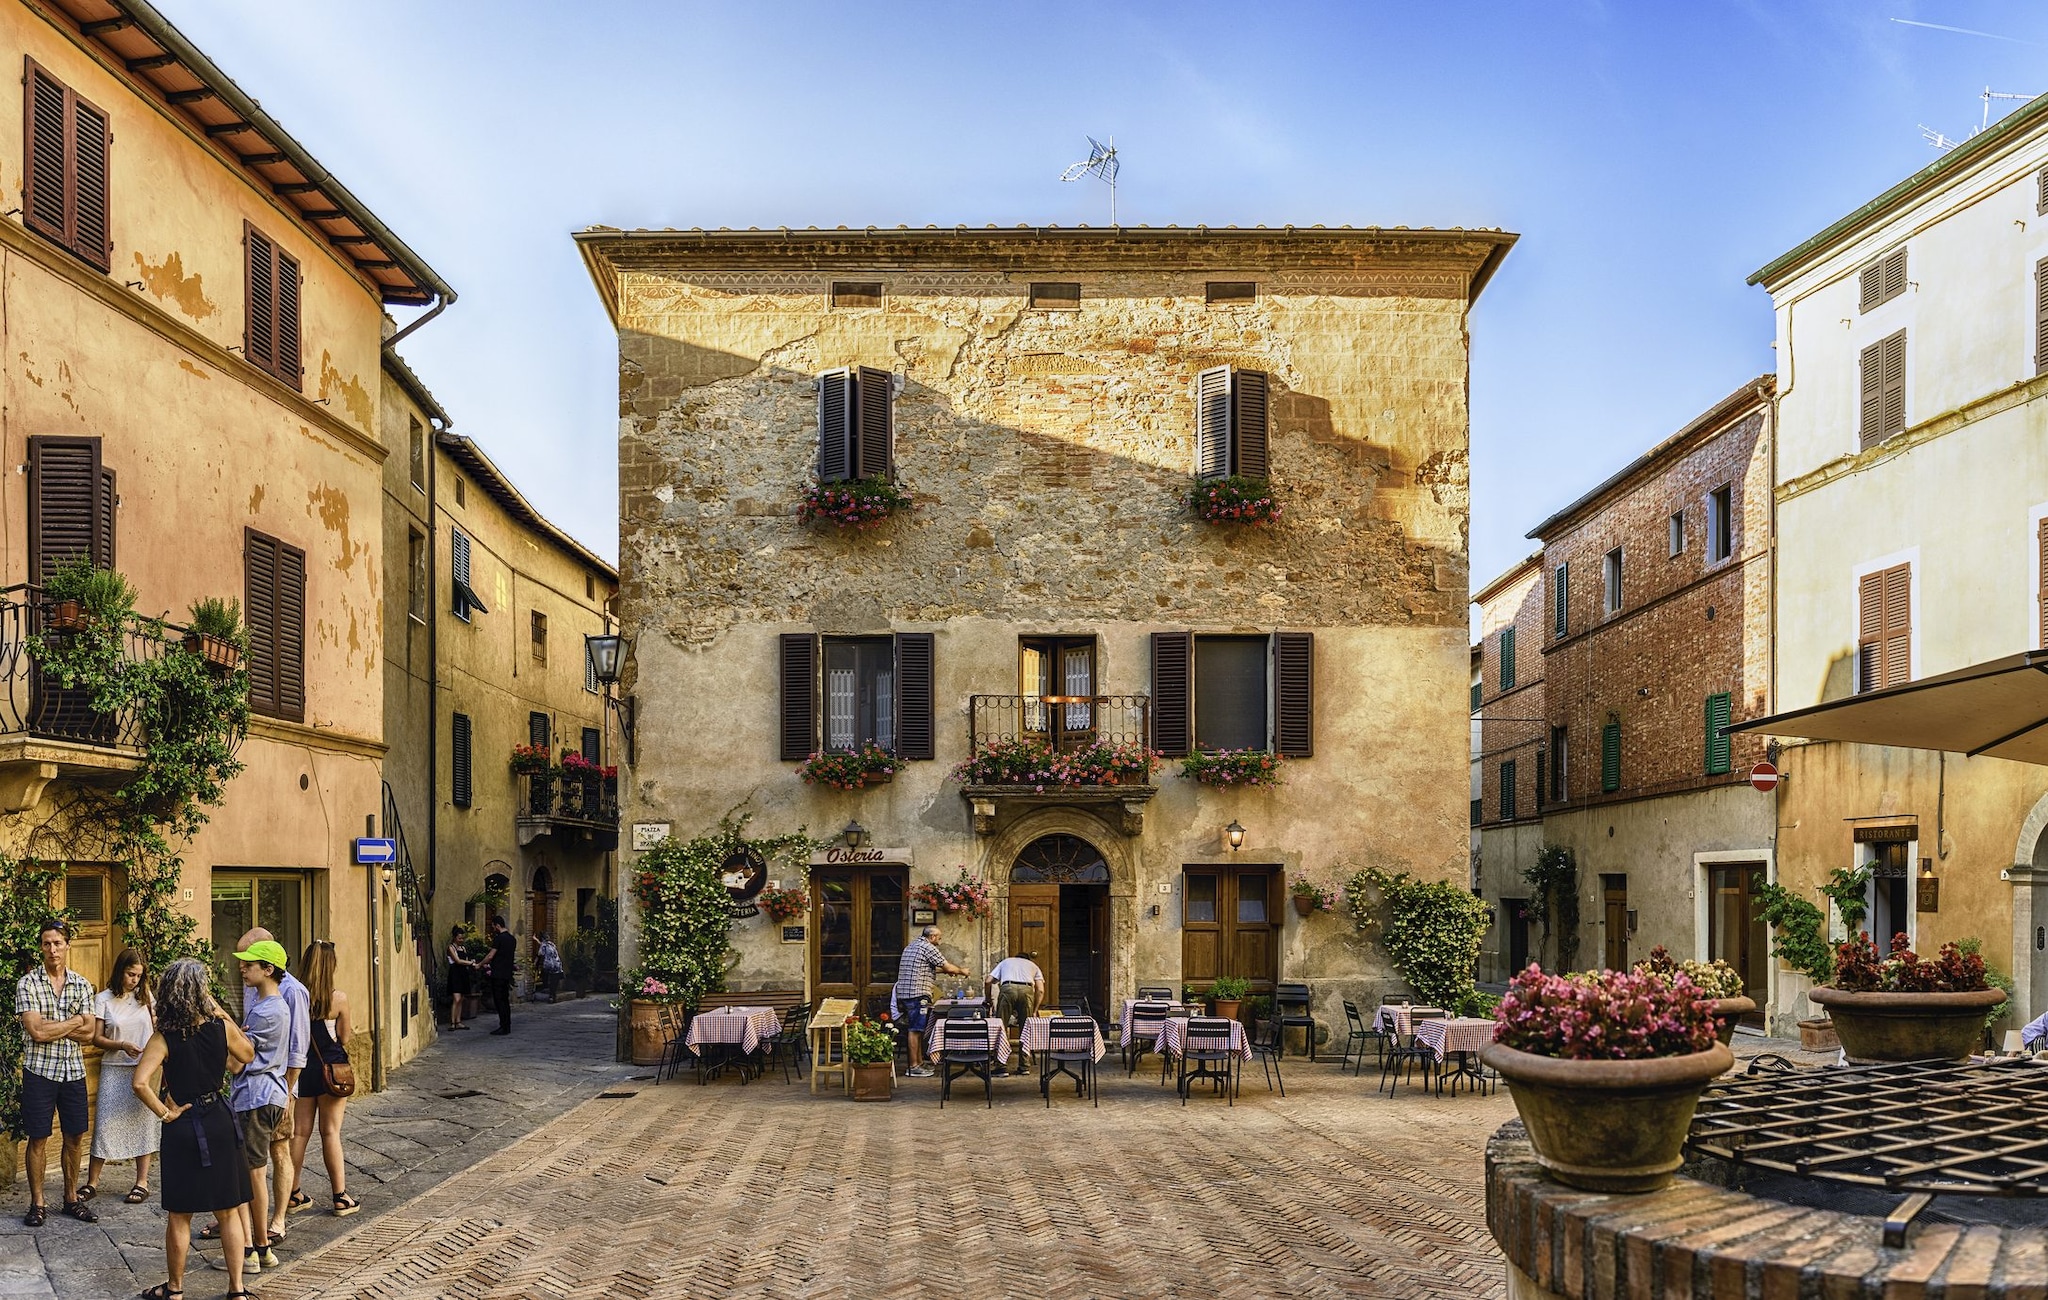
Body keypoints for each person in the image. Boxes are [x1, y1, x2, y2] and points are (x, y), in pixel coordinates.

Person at [133, 957, 255, 1300]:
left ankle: (174, 1290)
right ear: (202, 992)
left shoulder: (164, 1037)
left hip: (184, 1125)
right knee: (228, 1210)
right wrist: (220, 1011)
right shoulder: (220, 1026)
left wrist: (164, 1113)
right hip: (218, 1119)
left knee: (180, 1214)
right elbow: (246, 1054)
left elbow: (140, 1082)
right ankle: (237, 1290)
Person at [15, 919, 98, 1225]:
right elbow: (36, 1031)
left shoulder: (81, 983)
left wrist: (56, 1027)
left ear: (67, 946)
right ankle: (38, 1203)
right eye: (47, 943)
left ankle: (71, 1198)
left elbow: (90, 1033)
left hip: (73, 1070)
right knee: (37, 1137)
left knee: (75, 1136)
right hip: (39, 1071)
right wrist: (74, 1021)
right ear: (41, 947)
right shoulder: (27, 984)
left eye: (58, 943)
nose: (52, 949)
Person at [219, 939, 291, 1277]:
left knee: (251, 1175)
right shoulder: (271, 1006)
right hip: (267, 1095)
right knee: (254, 1172)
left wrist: (222, 1022)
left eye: (250, 964)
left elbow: (237, 1064)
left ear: (269, 970)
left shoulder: (266, 1011)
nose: (243, 968)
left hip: (256, 1097)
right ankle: (257, 1247)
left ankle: (254, 1249)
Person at [287, 940, 359, 1219]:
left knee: (300, 1133)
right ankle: (340, 1196)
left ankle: (293, 1192)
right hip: (332, 1072)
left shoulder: (296, 996)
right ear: (332, 965)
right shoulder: (337, 998)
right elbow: (344, 1037)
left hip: (304, 1070)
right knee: (330, 1133)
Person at [85, 947, 160, 1205]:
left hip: (144, 1068)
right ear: (120, 972)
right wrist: (122, 1045)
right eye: (130, 974)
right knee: (104, 1124)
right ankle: (92, 1182)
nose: (134, 980)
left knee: (143, 1124)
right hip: (114, 1067)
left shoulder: (146, 997)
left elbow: (156, 1029)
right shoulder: (103, 999)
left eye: (138, 976)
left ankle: (142, 1182)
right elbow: (97, 1038)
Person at [891, 924, 968, 1078]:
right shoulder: (928, 948)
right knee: (915, 1030)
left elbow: (925, 967)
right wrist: (961, 971)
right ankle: (913, 1066)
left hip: (906, 994)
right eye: (939, 937)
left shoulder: (912, 946)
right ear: (932, 937)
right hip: (918, 995)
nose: (940, 940)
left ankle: (919, 1062)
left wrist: (946, 971)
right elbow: (948, 967)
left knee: (917, 1030)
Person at [984, 951, 1046, 1076]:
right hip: (1027, 990)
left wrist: (988, 999)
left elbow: (988, 981)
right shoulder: (1033, 966)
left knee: (1001, 1026)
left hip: (1008, 989)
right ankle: (1024, 1066)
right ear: (1028, 959)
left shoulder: (1006, 962)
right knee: (1025, 1029)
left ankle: (1000, 1066)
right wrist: (1034, 1010)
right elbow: (1040, 990)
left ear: (1015, 958)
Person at [445, 925, 478, 1028]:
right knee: (456, 998)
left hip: (463, 973)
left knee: (461, 998)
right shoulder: (451, 947)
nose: (461, 940)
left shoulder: (463, 948)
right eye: (459, 938)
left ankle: (458, 1021)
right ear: (455, 937)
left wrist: (470, 963)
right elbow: (457, 960)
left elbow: (465, 959)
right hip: (455, 973)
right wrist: (470, 963)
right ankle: (452, 1022)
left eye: (462, 938)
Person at [487, 915, 516, 1035]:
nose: (493, 929)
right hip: (507, 974)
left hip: (498, 974)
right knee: (505, 1000)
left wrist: (479, 965)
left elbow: (490, 956)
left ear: (497, 925)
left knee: (499, 1001)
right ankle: (507, 1025)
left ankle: (503, 1026)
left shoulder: (499, 939)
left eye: (493, 926)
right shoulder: (512, 939)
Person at [536, 933, 563, 1001]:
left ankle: (549, 993)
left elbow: (540, 954)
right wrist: (536, 940)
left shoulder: (544, 945)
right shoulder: (552, 944)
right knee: (554, 981)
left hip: (550, 965)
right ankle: (553, 995)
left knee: (548, 979)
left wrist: (536, 963)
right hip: (558, 964)